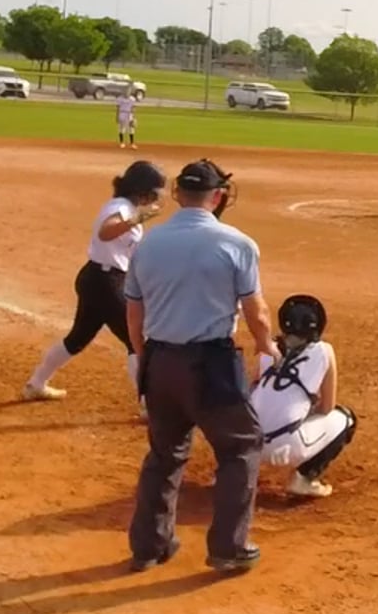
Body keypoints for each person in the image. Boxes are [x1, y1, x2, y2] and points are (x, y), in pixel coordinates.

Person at [126, 158, 276, 575]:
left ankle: (149, 547)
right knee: (240, 447)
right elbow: (257, 311)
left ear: (177, 194)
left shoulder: (147, 243)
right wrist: (266, 345)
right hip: (210, 365)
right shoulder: (236, 243)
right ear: (218, 196)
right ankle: (228, 547)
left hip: (160, 361)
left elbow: (134, 314)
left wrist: (144, 357)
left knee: (165, 453)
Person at [23, 160, 166, 405]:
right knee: (136, 340)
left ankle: (36, 384)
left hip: (98, 279)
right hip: (104, 282)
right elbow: (106, 231)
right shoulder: (120, 207)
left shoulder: (127, 208)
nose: (155, 197)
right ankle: (148, 406)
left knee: (77, 338)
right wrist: (136, 220)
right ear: (141, 189)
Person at [250, 294, 357, 499]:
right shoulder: (324, 351)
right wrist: (304, 410)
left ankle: (237, 473)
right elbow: (327, 407)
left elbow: (253, 388)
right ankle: (304, 479)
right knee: (346, 418)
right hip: (285, 448)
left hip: (247, 443)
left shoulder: (268, 347)